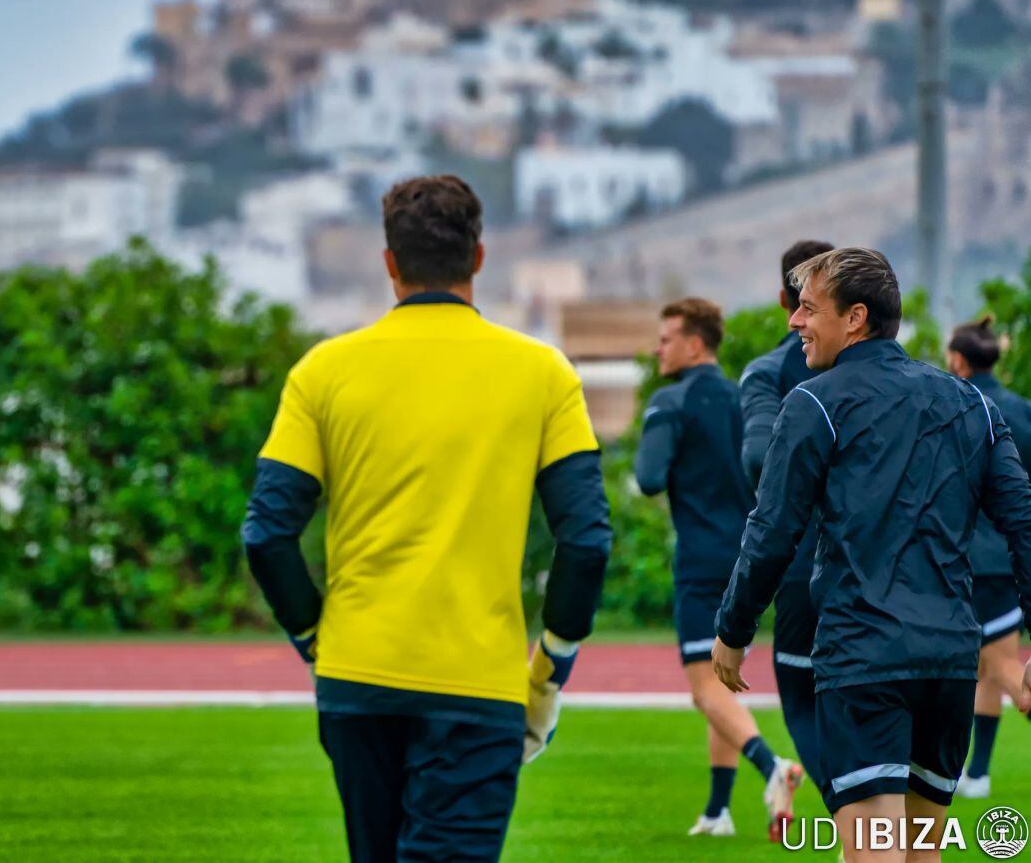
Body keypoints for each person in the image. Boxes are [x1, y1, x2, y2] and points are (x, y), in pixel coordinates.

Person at [242, 175, 612, 863]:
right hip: (476, 684)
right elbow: (585, 541)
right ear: (478, 257)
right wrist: (549, 673)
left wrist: (314, 642)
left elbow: (266, 533)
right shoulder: (543, 373)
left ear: (389, 262)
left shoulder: (322, 372)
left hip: (355, 678)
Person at [713, 248, 1031, 862]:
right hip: (948, 664)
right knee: (920, 853)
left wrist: (731, 628)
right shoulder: (973, 404)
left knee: (871, 854)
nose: (793, 322)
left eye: (807, 309)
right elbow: (1024, 522)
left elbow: (772, 529)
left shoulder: (813, 402)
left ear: (854, 318)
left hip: (865, 658)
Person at [634, 298, 802, 842]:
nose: (658, 348)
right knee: (723, 683)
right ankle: (716, 811)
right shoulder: (744, 396)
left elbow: (649, 477)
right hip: (751, 559)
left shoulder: (670, 400)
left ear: (694, 344)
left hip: (701, 561)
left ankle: (772, 767)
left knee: (704, 689)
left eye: (666, 338)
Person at [739, 239, 833, 790]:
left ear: (784, 298)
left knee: (801, 700)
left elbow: (757, 460)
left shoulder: (769, 372)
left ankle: (858, 831)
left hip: (804, 565)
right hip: (893, 568)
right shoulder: (905, 377)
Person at [946, 317, 1031, 799]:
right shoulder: (1022, 408)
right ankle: (975, 774)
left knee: (1000, 667)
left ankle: (970, 772)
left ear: (958, 360)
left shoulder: (959, 406)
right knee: (986, 669)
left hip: (971, 558)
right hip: (1014, 552)